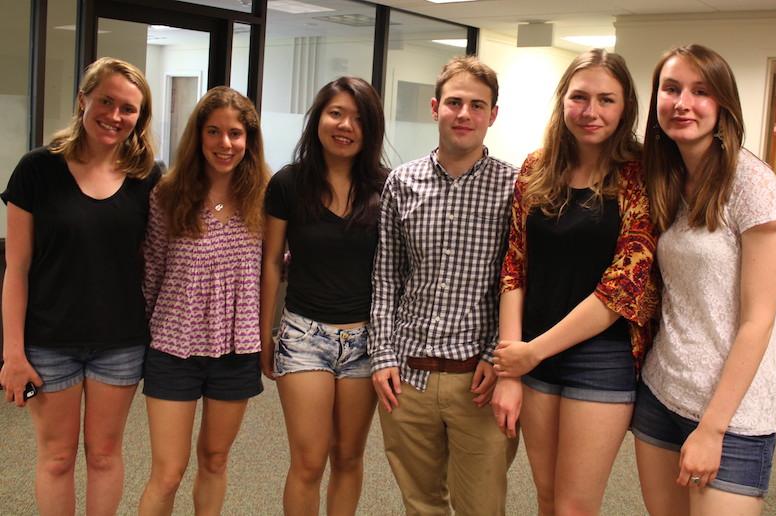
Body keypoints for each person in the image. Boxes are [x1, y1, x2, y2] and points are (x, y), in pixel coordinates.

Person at [491, 48, 660, 515]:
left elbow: (622, 287)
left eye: (607, 100)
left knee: (575, 505)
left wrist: (531, 352)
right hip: (533, 356)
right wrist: (512, 363)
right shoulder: (535, 168)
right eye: (580, 97)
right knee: (546, 496)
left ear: (626, 106)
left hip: (600, 357)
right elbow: (514, 266)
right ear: (562, 99)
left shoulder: (641, 174)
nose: (591, 112)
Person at [632, 44, 776, 516]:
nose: (682, 103)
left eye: (700, 91)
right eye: (671, 89)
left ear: (723, 104)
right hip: (663, 392)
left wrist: (712, 428)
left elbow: (758, 321)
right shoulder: (666, 178)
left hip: (734, 416)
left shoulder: (754, 185)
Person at [0, 57, 158, 515]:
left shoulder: (148, 176)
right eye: (105, 101)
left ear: (139, 117)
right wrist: (12, 353)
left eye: (128, 109)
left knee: (105, 456)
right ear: (83, 100)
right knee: (56, 458)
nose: (114, 116)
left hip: (121, 342)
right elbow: (17, 268)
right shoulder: (37, 169)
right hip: (47, 342)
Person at [369, 55, 519, 516]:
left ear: (492, 115)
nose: (464, 114)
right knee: (421, 504)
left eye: (478, 105)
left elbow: (518, 281)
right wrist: (381, 356)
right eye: (454, 102)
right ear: (435, 107)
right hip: (407, 378)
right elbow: (385, 278)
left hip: (480, 380)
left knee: (481, 506)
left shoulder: (516, 188)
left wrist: (501, 358)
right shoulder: (401, 182)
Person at [138, 86, 270, 515]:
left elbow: (280, 264)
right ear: (198, 136)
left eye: (235, 133)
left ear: (248, 140)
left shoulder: (265, 201)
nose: (225, 144)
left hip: (236, 350)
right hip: (173, 348)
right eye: (213, 132)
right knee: (169, 472)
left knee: (215, 460)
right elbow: (152, 270)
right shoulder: (167, 194)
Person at [260, 76, 387, 516]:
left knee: (348, 458)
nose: (345, 125)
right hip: (303, 337)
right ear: (319, 118)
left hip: (366, 342)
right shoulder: (288, 184)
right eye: (336, 113)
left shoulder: (386, 188)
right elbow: (272, 263)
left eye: (357, 118)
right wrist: (265, 335)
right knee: (309, 461)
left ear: (371, 129)